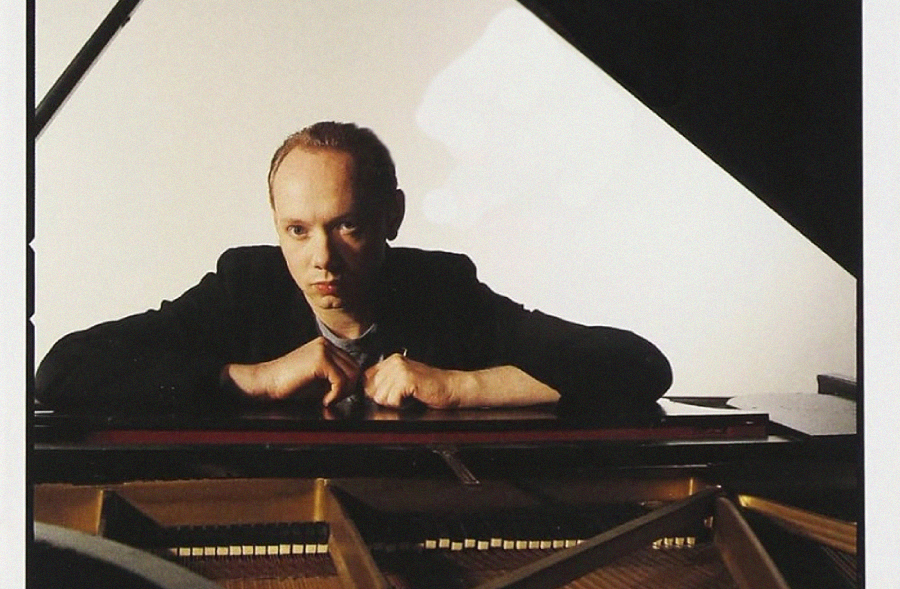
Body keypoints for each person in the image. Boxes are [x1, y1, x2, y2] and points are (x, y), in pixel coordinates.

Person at [35, 121, 672, 414]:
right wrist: (254, 378)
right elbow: (63, 370)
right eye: (297, 230)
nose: (321, 259)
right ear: (275, 226)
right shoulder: (245, 287)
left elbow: (639, 366)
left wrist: (461, 387)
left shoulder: (442, 289)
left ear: (391, 217)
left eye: (348, 226)